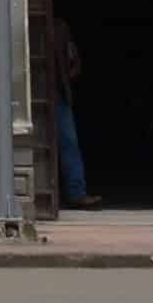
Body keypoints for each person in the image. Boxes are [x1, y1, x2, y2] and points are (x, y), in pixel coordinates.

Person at [50, 15, 102, 211]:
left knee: (68, 143)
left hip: (57, 94)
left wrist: (63, 78)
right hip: (43, 92)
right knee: (65, 143)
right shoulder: (58, 26)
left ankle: (76, 193)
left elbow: (75, 64)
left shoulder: (61, 27)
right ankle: (74, 193)